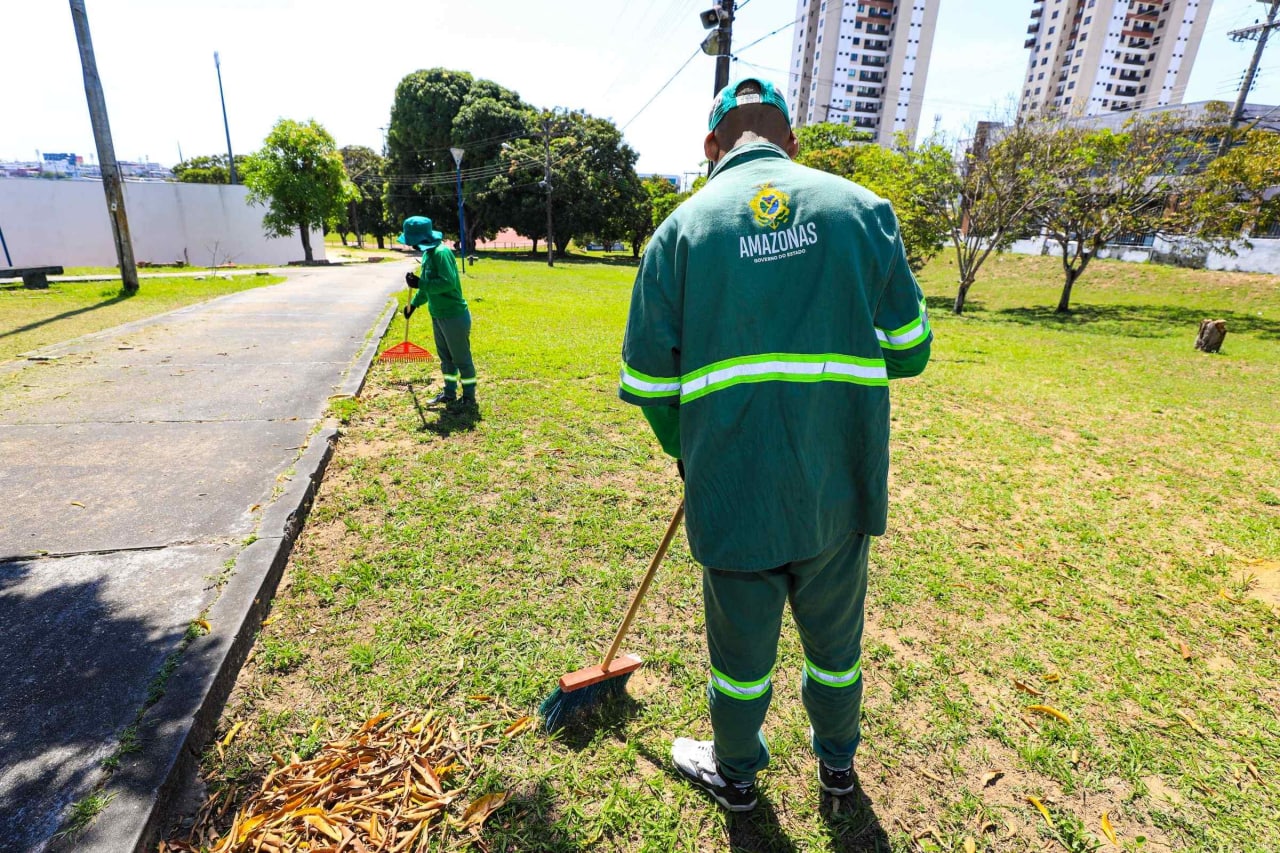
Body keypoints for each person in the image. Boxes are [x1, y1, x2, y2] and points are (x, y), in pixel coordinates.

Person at [618, 78, 931, 812]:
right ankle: (838, 770)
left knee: (739, 666)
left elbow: (651, 386)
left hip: (731, 497)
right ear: (792, 143)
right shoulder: (863, 211)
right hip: (838, 491)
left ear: (710, 147)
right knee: (836, 650)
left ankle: (736, 777)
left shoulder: (679, 234)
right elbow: (911, 350)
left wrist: (691, 458)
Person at [399, 216, 477, 409]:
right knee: (446, 359)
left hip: (454, 316)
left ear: (420, 239)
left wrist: (421, 282)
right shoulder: (427, 254)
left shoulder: (441, 253)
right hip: (438, 314)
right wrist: (414, 305)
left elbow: (447, 282)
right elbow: (426, 289)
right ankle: (449, 393)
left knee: (461, 359)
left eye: (412, 242)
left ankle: (469, 396)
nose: (411, 246)